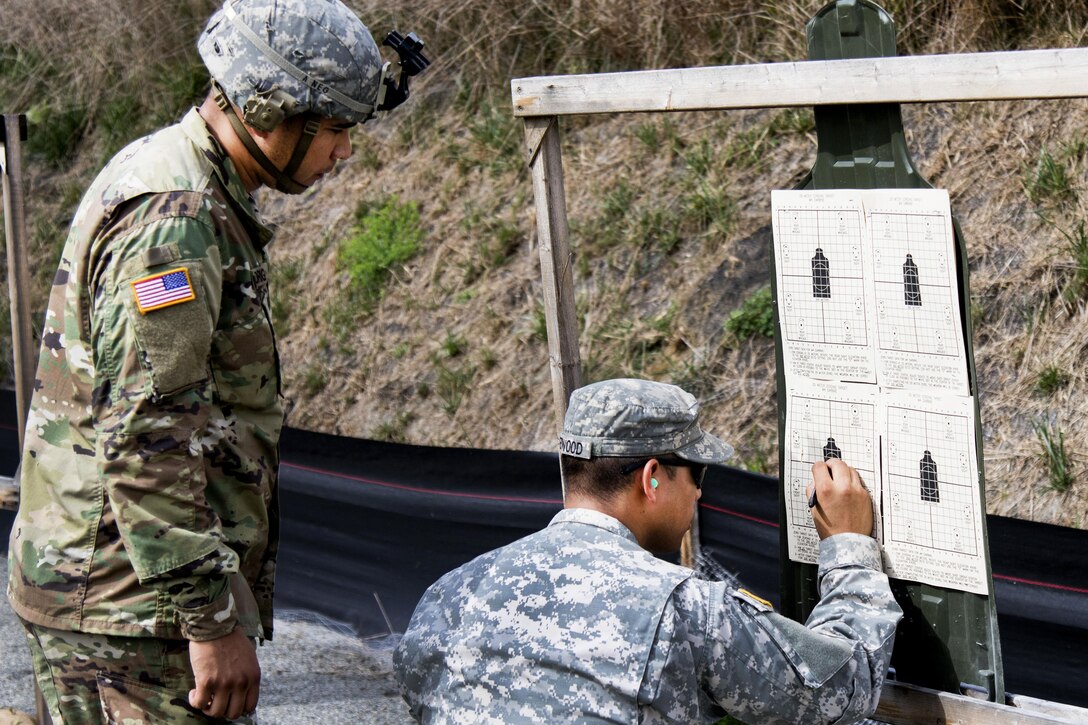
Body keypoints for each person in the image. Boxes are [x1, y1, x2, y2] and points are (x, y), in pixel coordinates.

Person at [6, 0, 427, 721]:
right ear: (270, 108)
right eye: (335, 130)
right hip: (130, 615)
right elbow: (146, 437)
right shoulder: (177, 218)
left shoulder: (185, 179)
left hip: (117, 595)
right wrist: (209, 620)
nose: (345, 153)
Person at [394, 378, 903, 724]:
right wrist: (849, 545)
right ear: (652, 478)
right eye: (696, 474)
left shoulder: (448, 596)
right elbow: (844, 686)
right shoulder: (686, 606)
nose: (700, 493)